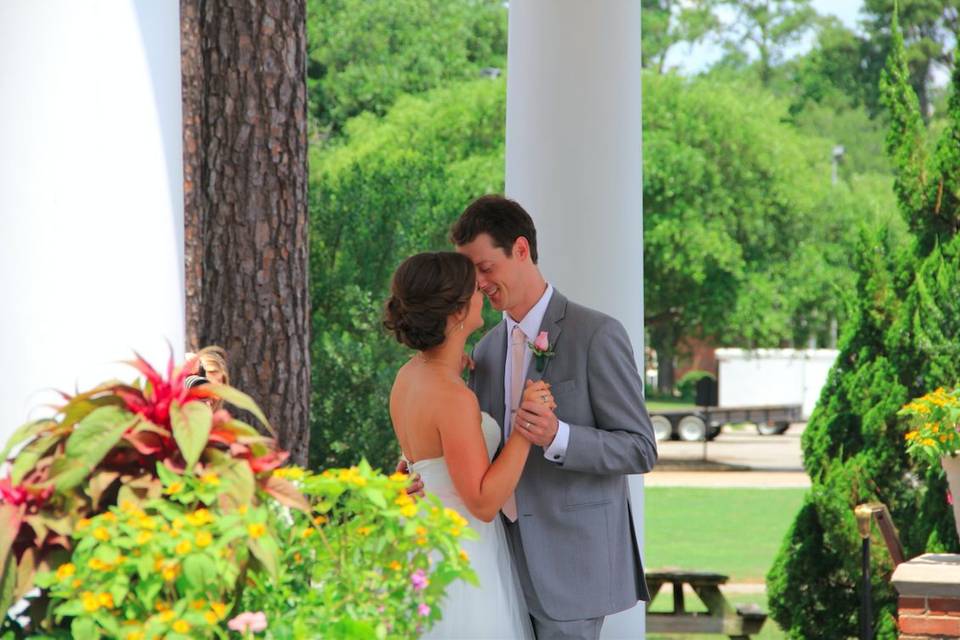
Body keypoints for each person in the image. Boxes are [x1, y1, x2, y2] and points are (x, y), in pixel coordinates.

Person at [451, 195, 658, 640]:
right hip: (499, 566)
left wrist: (558, 436)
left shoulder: (596, 334)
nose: (478, 284)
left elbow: (640, 448)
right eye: (471, 274)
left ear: (521, 250)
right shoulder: (485, 350)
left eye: (485, 268)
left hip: (572, 567)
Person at [384, 252, 551, 640]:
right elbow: (483, 501)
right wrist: (526, 429)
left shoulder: (409, 376)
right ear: (457, 313)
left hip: (423, 544)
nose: (482, 291)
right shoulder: (452, 397)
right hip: (460, 557)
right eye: (473, 289)